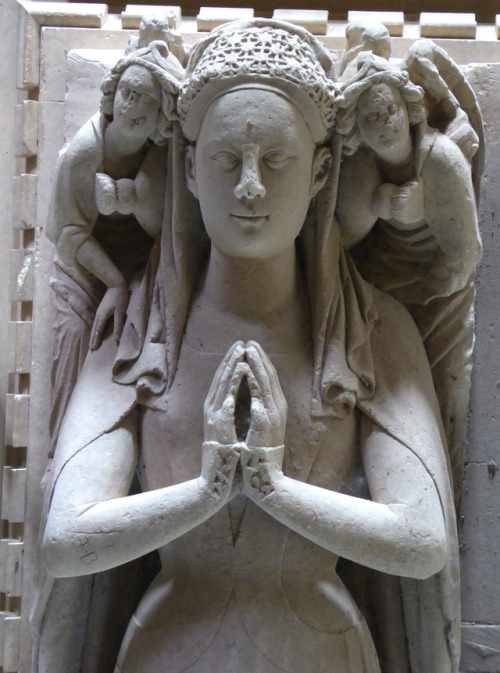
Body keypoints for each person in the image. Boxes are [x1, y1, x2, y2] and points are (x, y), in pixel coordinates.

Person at [41, 20, 459, 673]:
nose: (250, 188)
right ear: (189, 169)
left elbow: (424, 538)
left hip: (327, 651)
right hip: (166, 647)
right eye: (227, 160)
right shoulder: (139, 330)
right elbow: (65, 536)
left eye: (277, 159)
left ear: (322, 171)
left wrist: (271, 486)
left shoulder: (372, 329)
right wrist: (207, 490)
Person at [335, 52, 482, 495]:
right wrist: (376, 207)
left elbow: (463, 255)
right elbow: (339, 242)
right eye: (370, 117)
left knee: (442, 394)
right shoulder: (361, 170)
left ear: (410, 108)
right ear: (357, 129)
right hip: (379, 291)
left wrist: (421, 288)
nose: (384, 123)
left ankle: (443, 494)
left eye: (389, 110)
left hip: (438, 297)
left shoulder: (440, 160)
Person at [45, 32, 183, 449]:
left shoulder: (164, 155)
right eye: (127, 93)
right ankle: (62, 453)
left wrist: (133, 201)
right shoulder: (83, 155)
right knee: (75, 344)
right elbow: (68, 234)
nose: (132, 107)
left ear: (161, 113)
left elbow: (173, 224)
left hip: (143, 264)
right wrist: (114, 283)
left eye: (145, 99)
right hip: (86, 272)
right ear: (112, 93)